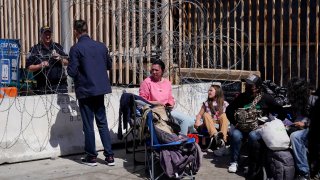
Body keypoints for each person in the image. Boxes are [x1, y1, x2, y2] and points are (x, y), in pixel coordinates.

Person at [67, 20, 114, 166]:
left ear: (76, 31)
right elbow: (109, 65)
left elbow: (71, 71)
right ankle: (110, 156)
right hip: (100, 90)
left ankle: (91, 157)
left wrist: (68, 64)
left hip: (86, 91)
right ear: (87, 29)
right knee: (102, 122)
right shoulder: (101, 46)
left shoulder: (76, 48)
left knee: (88, 125)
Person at [225, 74, 286, 174]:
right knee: (235, 135)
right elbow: (229, 110)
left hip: (257, 128)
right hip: (242, 127)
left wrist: (272, 124)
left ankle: (253, 163)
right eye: (247, 85)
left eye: (251, 86)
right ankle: (234, 162)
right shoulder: (242, 97)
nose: (248, 87)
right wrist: (235, 122)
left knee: (252, 136)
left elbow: (281, 111)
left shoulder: (266, 98)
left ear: (258, 87)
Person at [139, 60, 194, 135]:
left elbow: (170, 98)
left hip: (167, 110)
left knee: (192, 121)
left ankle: (185, 138)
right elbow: (141, 101)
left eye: (156, 70)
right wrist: (156, 103)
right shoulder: (147, 82)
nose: (154, 72)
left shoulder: (167, 83)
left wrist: (171, 104)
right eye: (152, 70)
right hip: (155, 111)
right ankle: (182, 141)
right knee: (185, 120)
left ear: (162, 71)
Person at [26, 26, 69, 94]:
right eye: (45, 34)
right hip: (42, 87)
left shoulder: (58, 47)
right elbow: (29, 68)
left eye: (49, 34)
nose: (48, 36)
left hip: (59, 86)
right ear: (41, 35)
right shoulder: (35, 49)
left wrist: (60, 58)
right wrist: (40, 65)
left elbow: (67, 62)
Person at [287, 77, 312, 180]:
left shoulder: (314, 100)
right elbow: (299, 117)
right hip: (302, 127)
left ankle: (304, 173)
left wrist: (305, 125)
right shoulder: (299, 102)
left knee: (295, 137)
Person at [194, 83, 229, 149]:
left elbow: (230, 115)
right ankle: (216, 135)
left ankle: (222, 140)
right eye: (209, 90)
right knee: (206, 114)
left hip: (219, 122)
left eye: (211, 90)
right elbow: (199, 115)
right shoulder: (206, 103)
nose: (208, 92)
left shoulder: (224, 103)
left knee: (223, 115)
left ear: (217, 92)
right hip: (208, 123)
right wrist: (197, 121)